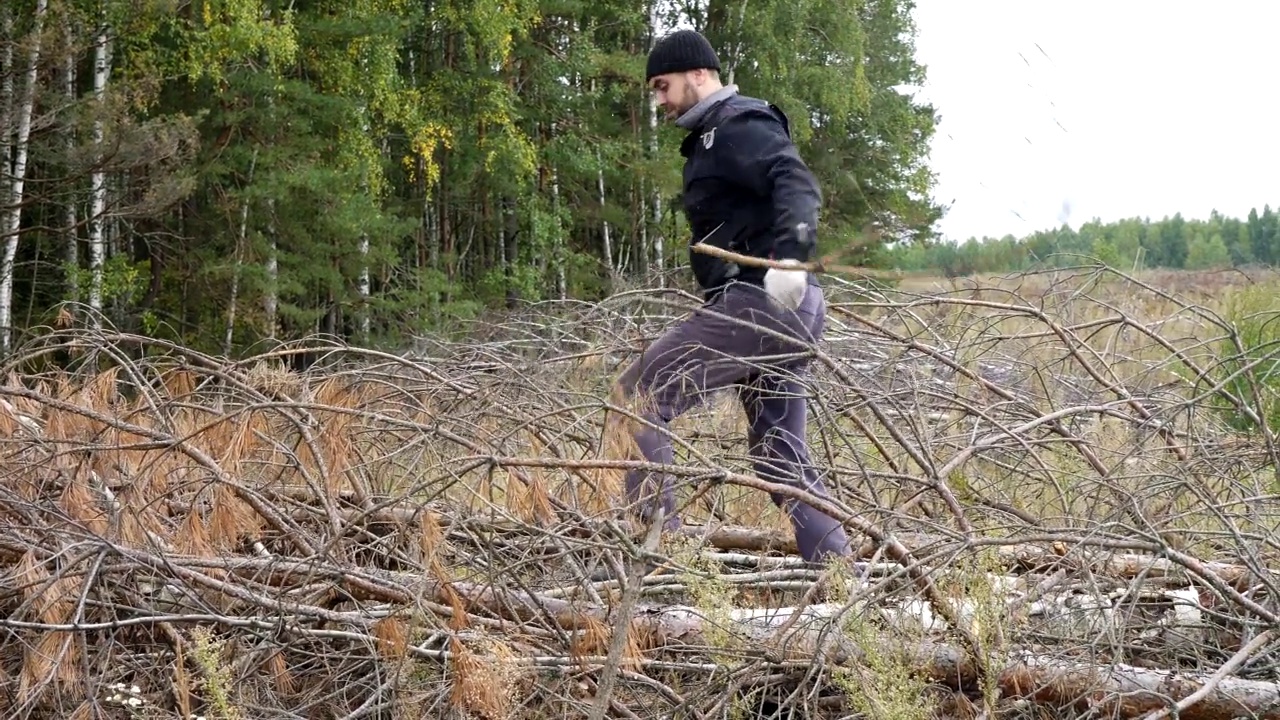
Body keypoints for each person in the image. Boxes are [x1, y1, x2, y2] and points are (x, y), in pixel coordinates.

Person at [611, 29, 852, 564]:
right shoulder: (710, 135)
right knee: (780, 458)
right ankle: (841, 578)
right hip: (790, 308)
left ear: (699, 74)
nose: (660, 100)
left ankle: (659, 559)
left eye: (663, 85)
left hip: (763, 299)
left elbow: (796, 180)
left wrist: (790, 257)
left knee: (636, 398)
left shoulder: (736, 123)